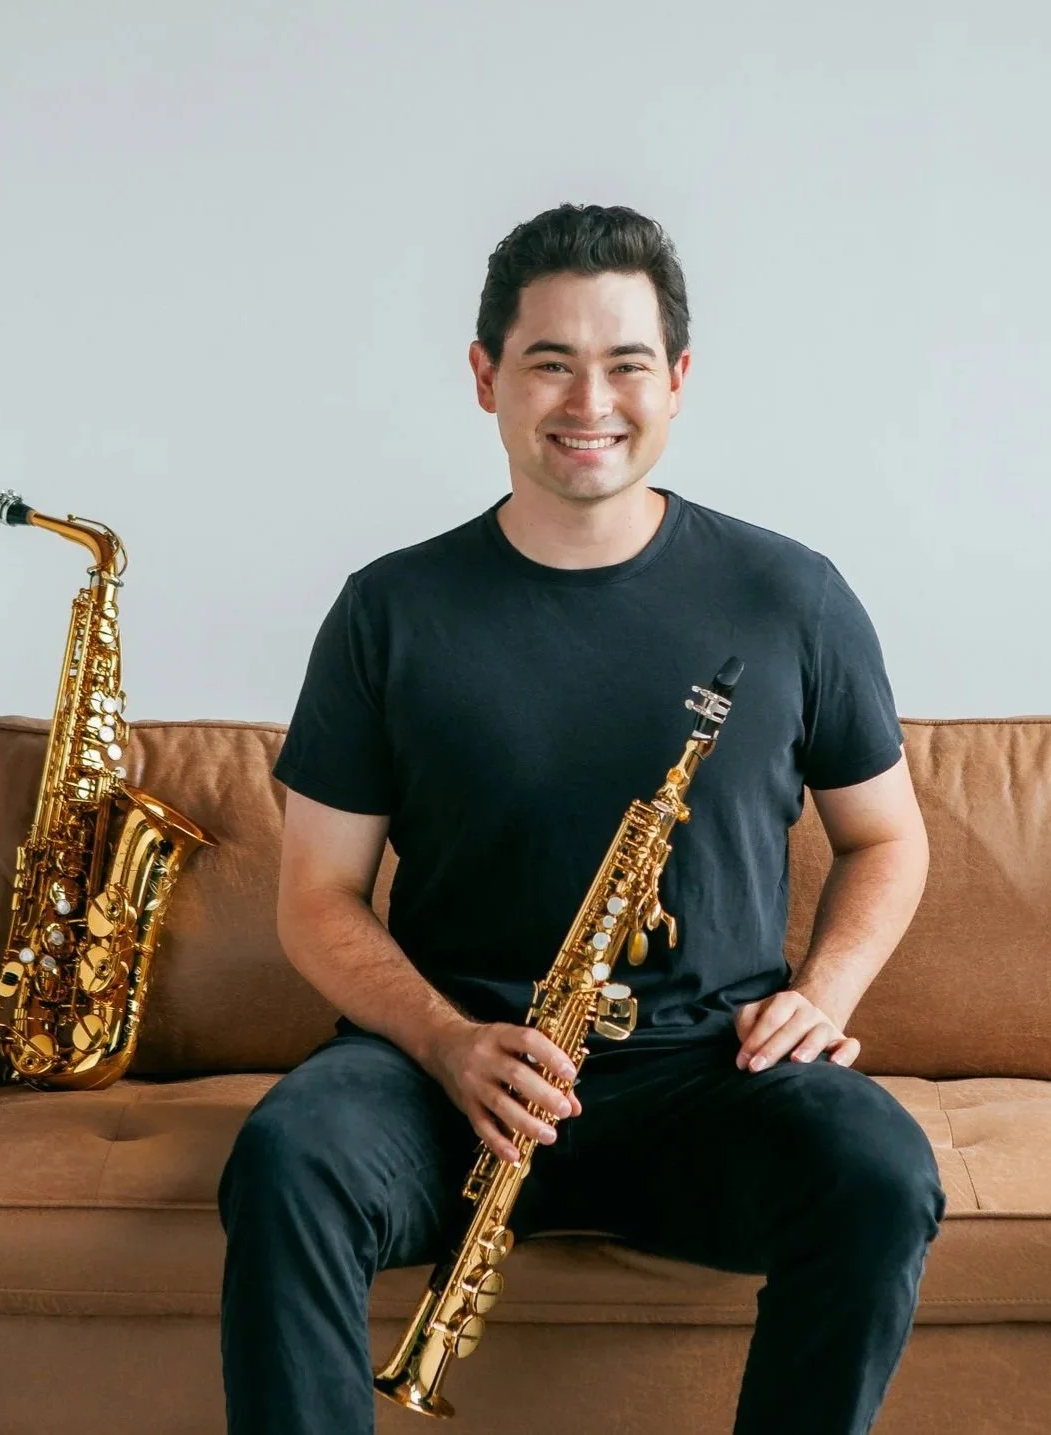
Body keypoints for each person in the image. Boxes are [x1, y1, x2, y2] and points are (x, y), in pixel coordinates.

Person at [218, 202, 946, 1435]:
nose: (587, 398)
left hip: (705, 1080)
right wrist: (449, 1043)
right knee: (287, 1158)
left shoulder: (792, 593)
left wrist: (824, 994)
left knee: (880, 1170)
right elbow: (316, 896)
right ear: (485, 378)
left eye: (624, 362)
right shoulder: (387, 610)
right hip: (444, 1075)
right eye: (549, 360)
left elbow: (887, 836)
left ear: (678, 381)